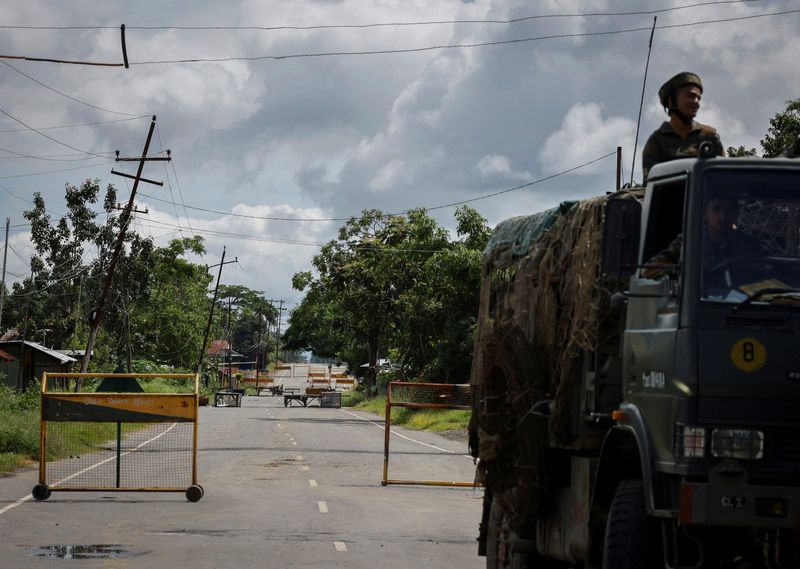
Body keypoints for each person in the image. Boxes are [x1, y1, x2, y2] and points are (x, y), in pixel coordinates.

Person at [642, 193, 760, 279]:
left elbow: (763, 274)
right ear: (705, 214)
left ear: (735, 214)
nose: (723, 216)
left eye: (729, 211)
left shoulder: (748, 244)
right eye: (716, 210)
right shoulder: (688, 242)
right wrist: (690, 269)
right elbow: (649, 270)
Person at [641, 72, 725, 181]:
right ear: (672, 101)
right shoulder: (657, 141)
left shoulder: (709, 136)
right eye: (691, 96)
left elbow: (722, 177)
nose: (696, 102)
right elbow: (651, 184)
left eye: (698, 98)